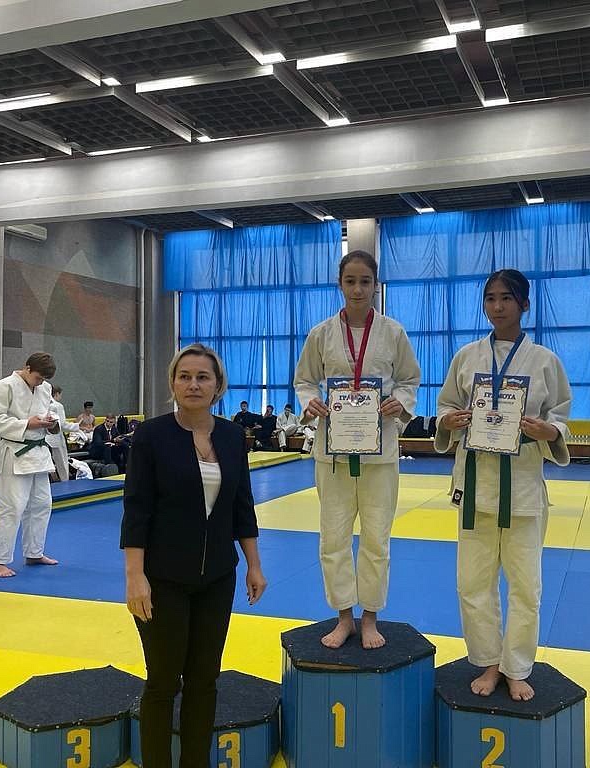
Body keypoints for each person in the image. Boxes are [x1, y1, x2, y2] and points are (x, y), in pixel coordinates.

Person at [122, 343, 266, 768]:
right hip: (162, 578)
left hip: (217, 578)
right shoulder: (152, 436)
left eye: (203, 377)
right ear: (172, 383)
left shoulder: (232, 437)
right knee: (163, 682)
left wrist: (254, 565)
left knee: (204, 681)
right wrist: (134, 576)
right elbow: (137, 509)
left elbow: (242, 504)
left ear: (218, 385)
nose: (193, 384)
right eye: (184, 376)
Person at [436, 269, 571, 702]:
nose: (497, 306)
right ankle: (489, 662)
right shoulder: (466, 357)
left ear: (524, 304)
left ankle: (517, 667)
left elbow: (561, 415)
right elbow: (445, 407)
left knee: (526, 586)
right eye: (490, 298)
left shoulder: (545, 361)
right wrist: (449, 421)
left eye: (507, 298)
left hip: (524, 488)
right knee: (471, 584)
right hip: (475, 484)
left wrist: (550, 431)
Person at [294, 249, 420, 649]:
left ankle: (370, 617)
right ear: (340, 284)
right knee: (333, 538)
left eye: (366, 281)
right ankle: (344, 616)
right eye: (351, 281)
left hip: (379, 451)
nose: (358, 289)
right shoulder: (321, 334)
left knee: (376, 538)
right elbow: (304, 380)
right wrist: (311, 403)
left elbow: (410, 380)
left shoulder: (393, 333)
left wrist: (400, 403)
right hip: (332, 450)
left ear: (375, 285)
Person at [0, 352, 61, 578]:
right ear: (27, 368)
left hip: (39, 453)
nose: (40, 383)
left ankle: (34, 553)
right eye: (38, 377)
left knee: (42, 505)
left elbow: (51, 414)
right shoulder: (4, 387)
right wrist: (27, 423)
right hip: (15, 452)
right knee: (10, 508)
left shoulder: (45, 388)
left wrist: (52, 424)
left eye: (43, 380)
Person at [45, 386, 81, 481]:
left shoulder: (43, 403)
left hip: (44, 437)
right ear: (57, 394)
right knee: (62, 461)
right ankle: (65, 481)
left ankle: (52, 479)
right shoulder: (57, 406)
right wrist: (77, 426)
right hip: (55, 437)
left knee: (46, 461)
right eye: (60, 395)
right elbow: (62, 425)